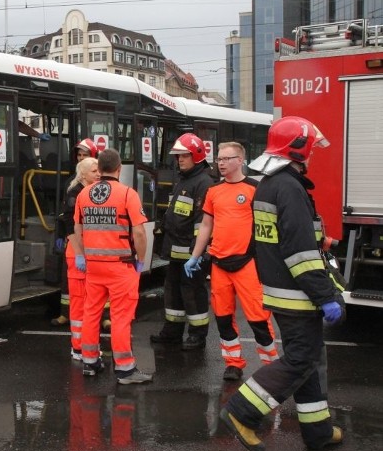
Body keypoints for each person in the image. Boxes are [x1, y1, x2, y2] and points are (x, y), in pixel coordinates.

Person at [220, 116, 344, 451]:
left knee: (308, 359)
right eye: (310, 147)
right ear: (299, 148)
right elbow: (299, 253)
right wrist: (325, 296)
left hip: (279, 291)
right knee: (302, 359)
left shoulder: (269, 184)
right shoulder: (289, 187)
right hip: (298, 295)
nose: (313, 154)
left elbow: (272, 243)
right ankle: (242, 412)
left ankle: (317, 431)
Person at [185, 142, 278, 381]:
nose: (221, 163)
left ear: (240, 160)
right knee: (223, 317)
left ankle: (272, 365)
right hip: (219, 264)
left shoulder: (255, 189)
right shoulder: (213, 191)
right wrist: (195, 255)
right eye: (219, 159)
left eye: (226, 159)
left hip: (247, 262)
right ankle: (233, 363)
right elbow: (207, 225)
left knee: (258, 318)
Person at [71, 148, 152, 384]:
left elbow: (77, 228)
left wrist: (84, 255)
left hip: (94, 266)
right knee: (121, 317)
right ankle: (125, 369)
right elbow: (139, 232)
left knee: (91, 313)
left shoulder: (84, 194)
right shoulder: (127, 194)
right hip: (121, 266)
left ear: (101, 168)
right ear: (119, 168)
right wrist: (140, 259)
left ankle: (89, 361)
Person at [150, 133, 213, 350]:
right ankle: (172, 331)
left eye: (184, 156)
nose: (180, 160)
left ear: (196, 155)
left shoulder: (203, 183)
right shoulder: (184, 179)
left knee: (193, 292)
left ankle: (197, 335)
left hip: (190, 252)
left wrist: (197, 253)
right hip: (176, 251)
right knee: (173, 290)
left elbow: (202, 223)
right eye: (177, 157)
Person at [52, 138, 99, 327]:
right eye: (78, 155)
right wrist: (60, 236)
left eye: (84, 155)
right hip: (74, 241)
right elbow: (67, 216)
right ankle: (66, 313)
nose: (80, 158)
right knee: (69, 281)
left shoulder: (99, 185)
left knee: (96, 284)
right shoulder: (72, 185)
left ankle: (103, 317)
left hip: (93, 243)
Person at [58, 156, 100, 359]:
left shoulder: (92, 191)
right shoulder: (74, 194)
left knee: (88, 302)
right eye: (94, 171)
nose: (98, 173)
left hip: (86, 252)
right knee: (78, 302)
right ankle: (77, 347)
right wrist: (80, 255)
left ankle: (86, 344)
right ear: (83, 173)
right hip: (77, 253)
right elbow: (69, 226)